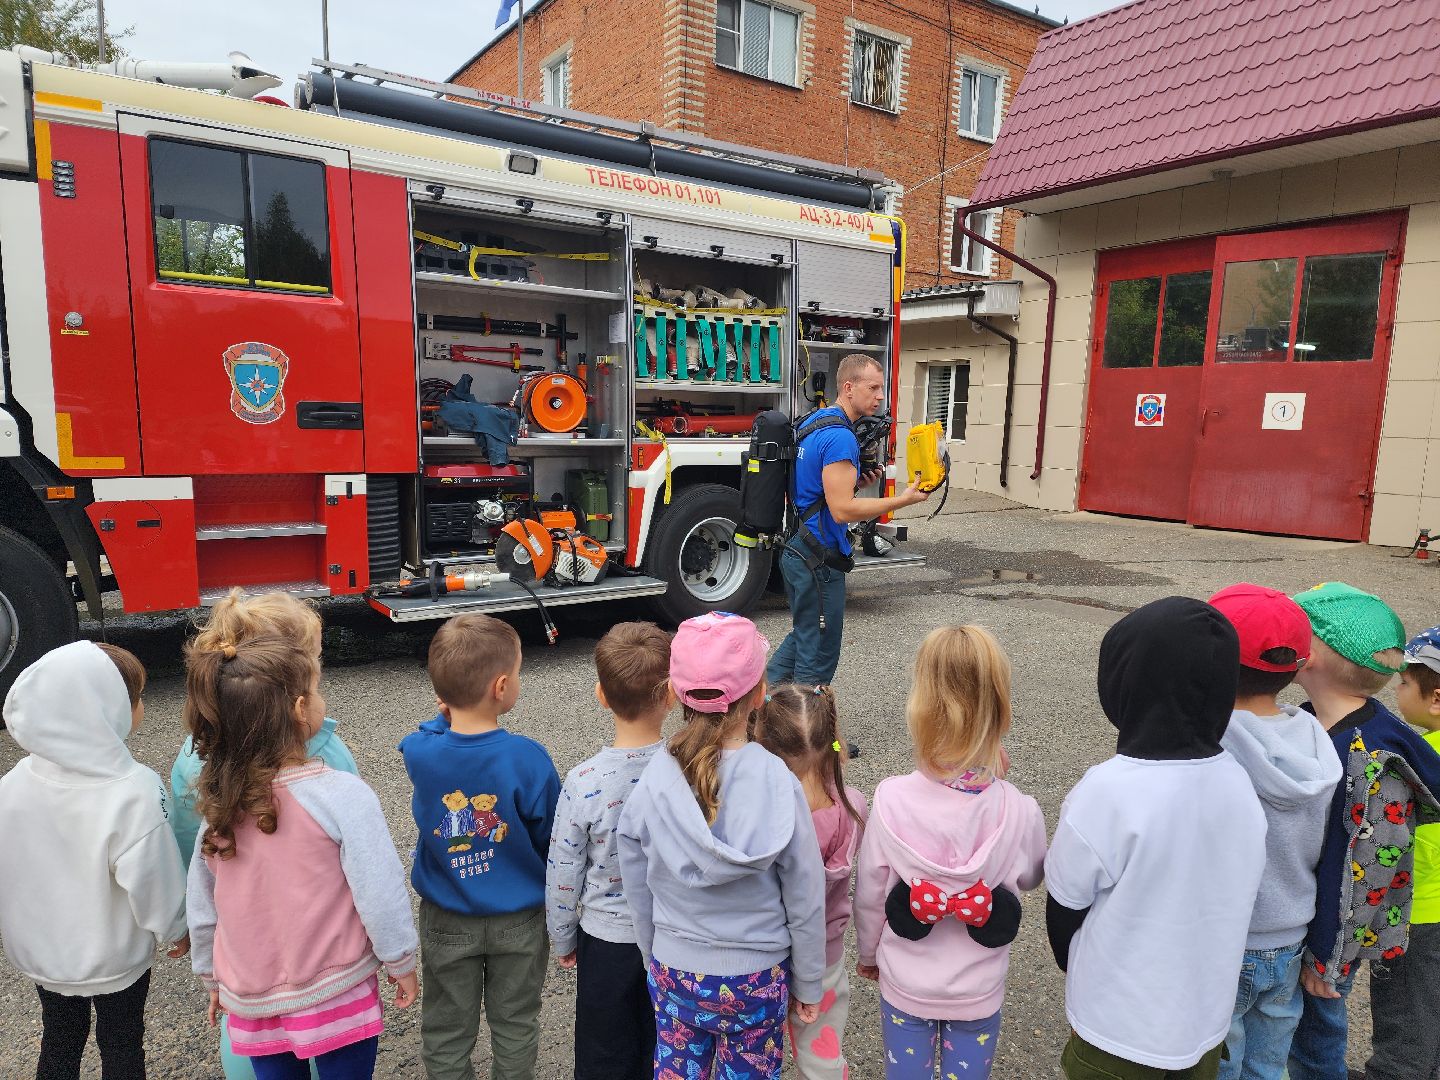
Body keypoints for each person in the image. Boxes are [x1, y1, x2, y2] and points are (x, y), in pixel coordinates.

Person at [1046, 597, 1266, 1080]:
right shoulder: (1239, 781)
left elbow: (1065, 904)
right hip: (1203, 1021)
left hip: (1117, 1025)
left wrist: (1072, 961)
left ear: (1124, 684)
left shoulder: (1106, 791)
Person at [184, 635, 418, 1080]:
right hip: (336, 988)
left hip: (253, 997)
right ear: (298, 709)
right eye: (316, 689)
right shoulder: (341, 796)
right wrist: (400, 959)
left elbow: (203, 907)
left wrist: (212, 977)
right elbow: (379, 890)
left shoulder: (218, 808)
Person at [618, 611, 826, 1080]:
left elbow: (635, 878)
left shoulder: (654, 779)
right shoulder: (779, 780)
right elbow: (805, 893)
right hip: (757, 977)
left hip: (676, 969)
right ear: (758, 694)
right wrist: (809, 980)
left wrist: (654, 954)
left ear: (673, 693)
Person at [853, 626, 1046, 1080]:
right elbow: (1033, 875)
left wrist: (868, 953)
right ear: (1000, 710)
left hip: (907, 981)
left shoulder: (891, 799)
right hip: (977, 987)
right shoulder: (1019, 809)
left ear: (920, 708)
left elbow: (870, 894)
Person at [0, 641, 188, 1080]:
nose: (140, 707)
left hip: (44, 953)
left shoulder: (12, 785)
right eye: (135, 698)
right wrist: (177, 927)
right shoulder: (133, 791)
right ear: (104, 710)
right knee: (122, 1042)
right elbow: (154, 879)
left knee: (60, 1039)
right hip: (114, 956)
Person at [1285, 584, 1440, 1080]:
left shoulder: (1369, 760)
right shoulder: (1313, 722)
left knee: (1317, 1035)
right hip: (1315, 920)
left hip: (1335, 935)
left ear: (1306, 657)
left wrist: (1330, 956)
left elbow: (1368, 865)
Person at [399, 614, 560, 1080]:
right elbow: (550, 833)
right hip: (519, 918)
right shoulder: (527, 757)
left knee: (447, 1026)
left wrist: (444, 712)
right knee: (515, 1020)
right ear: (502, 685)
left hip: (448, 914)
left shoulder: (421, 752)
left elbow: (422, 733)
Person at [1206, 585, 1341, 1080]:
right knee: (1268, 1063)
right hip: (1289, 937)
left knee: (1222, 1059)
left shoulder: (1217, 738)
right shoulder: (1313, 738)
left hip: (1231, 935)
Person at [546, 622, 673, 1080]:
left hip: (605, 940)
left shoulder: (583, 781)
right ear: (671, 695)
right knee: (666, 1047)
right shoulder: (686, 768)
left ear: (601, 695)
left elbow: (565, 868)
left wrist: (562, 935)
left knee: (605, 1053)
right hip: (674, 934)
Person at [767, 353, 930, 691]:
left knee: (805, 635)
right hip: (818, 558)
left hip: (797, 548)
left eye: (881, 388)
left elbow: (817, 492)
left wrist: (854, 482)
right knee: (819, 651)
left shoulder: (815, 422)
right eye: (873, 387)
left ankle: (758, 708)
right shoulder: (841, 436)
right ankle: (810, 737)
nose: (880, 396)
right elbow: (842, 510)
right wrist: (905, 499)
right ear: (848, 387)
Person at [171, 590, 358, 867]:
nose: (320, 667)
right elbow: (356, 841)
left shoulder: (194, 756)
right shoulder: (325, 753)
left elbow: (191, 847)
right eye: (316, 657)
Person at [753, 683, 867, 1080]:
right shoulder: (853, 808)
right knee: (821, 1052)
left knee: (750, 1052)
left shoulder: (761, 815)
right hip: (825, 955)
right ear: (834, 742)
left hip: (763, 955)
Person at [1365, 624, 1440, 1080]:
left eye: (1406, 681)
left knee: (1403, 1041)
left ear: (1436, 698)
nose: (1398, 687)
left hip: (1417, 920)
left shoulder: (1415, 762)